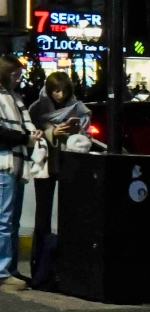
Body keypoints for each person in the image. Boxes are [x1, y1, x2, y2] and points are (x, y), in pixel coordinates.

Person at [0, 56, 42, 287]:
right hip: (4, 161)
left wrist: (27, 137)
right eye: (15, 73)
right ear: (5, 73)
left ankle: (6, 268)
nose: (19, 77)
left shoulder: (8, 98)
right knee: (4, 218)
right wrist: (26, 138)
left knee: (9, 219)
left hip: (10, 161)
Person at [27, 71, 90, 289]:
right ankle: (40, 269)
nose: (60, 95)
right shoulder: (38, 107)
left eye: (63, 90)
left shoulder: (77, 106)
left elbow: (86, 132)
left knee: (68, 214)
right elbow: (32, 133)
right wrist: (53, 132)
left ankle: (64, 266)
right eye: (55, 90)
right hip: (46, 164)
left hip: (67, 164)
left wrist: (76, 130)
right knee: (42, 216)